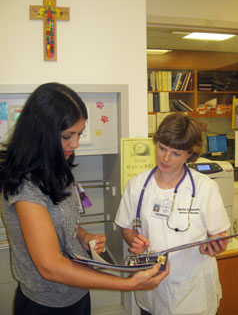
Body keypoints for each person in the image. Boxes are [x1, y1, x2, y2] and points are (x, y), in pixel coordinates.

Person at [0, 82, 169, 315]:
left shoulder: (55, 167)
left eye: (80, 133)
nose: (75, 143)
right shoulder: (25, 186)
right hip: (46, 305)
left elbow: (57, 220)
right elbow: (50, 267)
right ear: (41, 133)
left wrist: (82, 236)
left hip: (76, 295)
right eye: (67, 135)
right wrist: (128, 283)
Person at [115, 112, 231, 315]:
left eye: (176, 153)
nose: (166, 158)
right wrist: (134, 240)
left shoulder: (205, 188)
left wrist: (214, 247)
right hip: (152, 290)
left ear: (190, 154)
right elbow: (126, 227)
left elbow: (220, 238)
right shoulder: (137, 186)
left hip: (193, 295)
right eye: (162, 148)